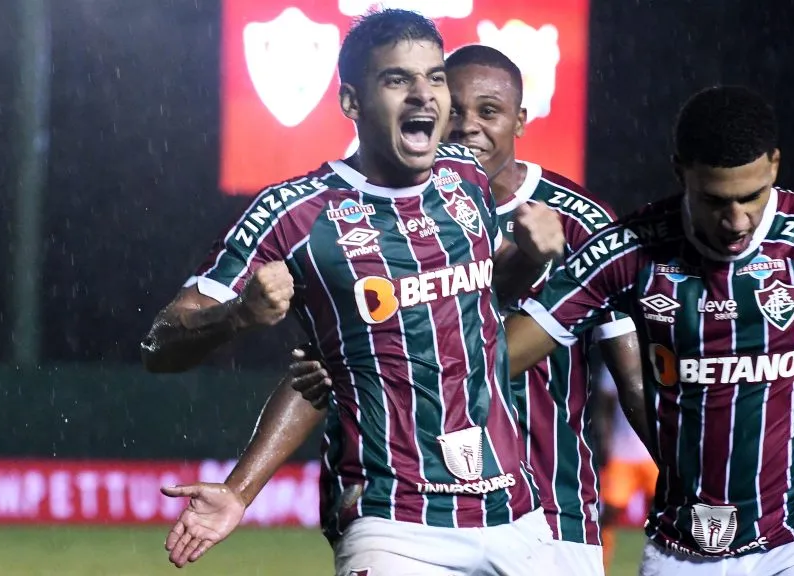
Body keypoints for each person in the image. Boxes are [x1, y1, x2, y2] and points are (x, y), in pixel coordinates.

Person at [156, 43, 649, 576]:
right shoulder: (292, 213)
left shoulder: (468, 180)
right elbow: (160, 346)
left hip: (524, 514)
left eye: (433, 78)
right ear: (352, 100)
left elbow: (485, 294)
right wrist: (237, 317)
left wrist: (529, 258)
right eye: (397, 80)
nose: (426, 97)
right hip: (393, 523)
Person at [504, 85, 794, 574]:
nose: (736, 220)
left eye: (751, 197)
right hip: (681, 543)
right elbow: (499, 359)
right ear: (680, 170)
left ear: (774, 164)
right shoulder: (628, 249)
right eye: (715, 200)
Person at [444, 44, 644, 574]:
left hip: (553, 502)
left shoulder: (583, 220)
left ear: (521, 121)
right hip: (429, 506)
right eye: (454, 110)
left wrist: (692, 475)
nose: (468, 126)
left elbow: (633, 380)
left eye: (488, 111)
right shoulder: (398, 215)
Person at [594, 358, 658, 573]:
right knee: (609, 513)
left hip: (656, 455)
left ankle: (660, 566)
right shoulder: (617, 353)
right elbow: (605, 403)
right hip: (622, 452)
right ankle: (602, 567)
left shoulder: (664, 349)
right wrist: (604, 442)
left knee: (666, 515)